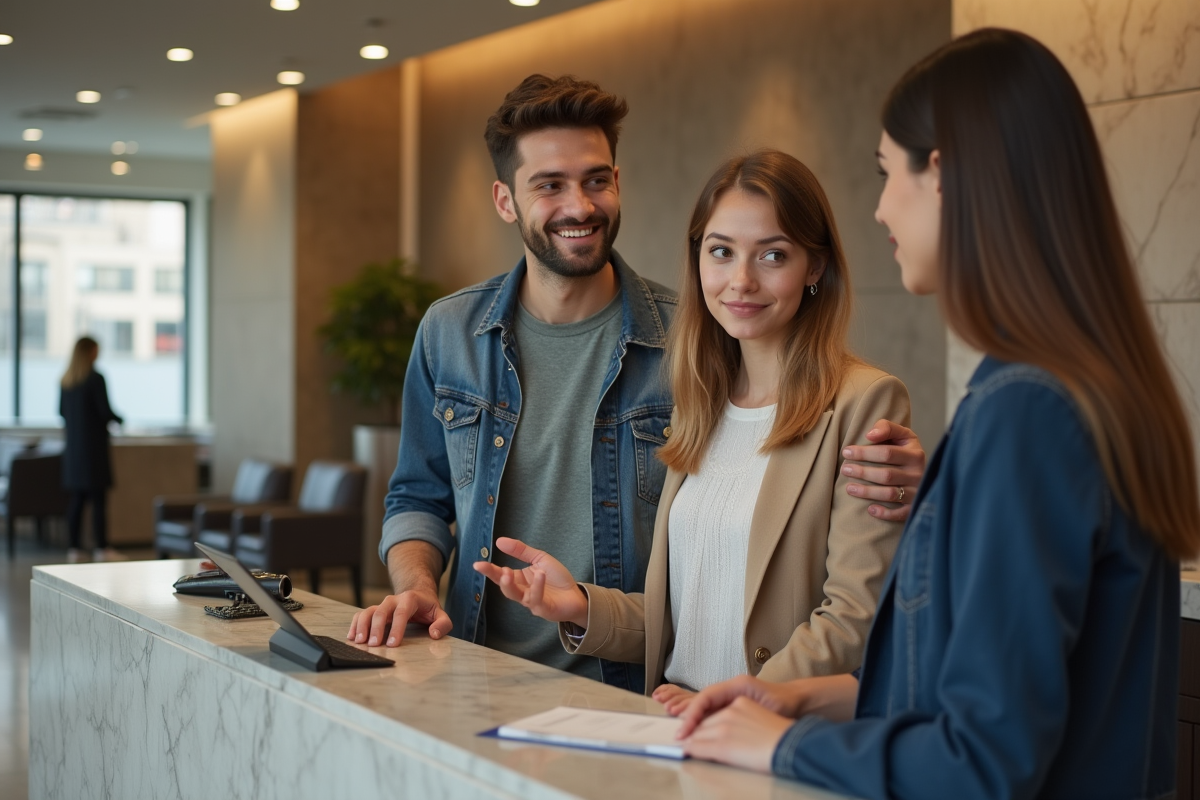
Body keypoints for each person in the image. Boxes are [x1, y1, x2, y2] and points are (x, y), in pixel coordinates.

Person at [669, 28, 1200, 800]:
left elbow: (982, 761)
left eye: (888, 173)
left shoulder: (1025, 411)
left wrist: (785, 750)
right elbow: (978, 696)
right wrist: (796, 699)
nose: (881, 209)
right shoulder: (1081, 387)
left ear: (944, 175)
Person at [347, 74, 922, 689]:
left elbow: (832, 569)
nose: (580, 205)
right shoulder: (450, 332)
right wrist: (418, 590)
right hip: (476, 666)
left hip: (631, 689)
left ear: (618, 183)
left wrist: (920, 482)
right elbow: (416, 498)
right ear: (505, 200)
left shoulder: (694, 348)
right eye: (549, 185)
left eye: (596, 179)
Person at [473, 149, 912, 700]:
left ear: (815, 266)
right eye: (721, 252)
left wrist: (724, 702)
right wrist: (579, 605)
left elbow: (852, 620)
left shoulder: (864, 403)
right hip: (675, 723)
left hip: (770, 738)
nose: (741, 281)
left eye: (773, 255)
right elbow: (691, 618)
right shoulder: (699, 400)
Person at [60, 335, 126, 563]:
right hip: (94, 450)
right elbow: (105, 411)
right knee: (98, 500)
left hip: (73, 451)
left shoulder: (66, 381)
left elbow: (61, 412)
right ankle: (101, 546)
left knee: (77, 501)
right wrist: (121, 419)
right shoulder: (96, 379)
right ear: (90, 352)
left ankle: (74, 547)